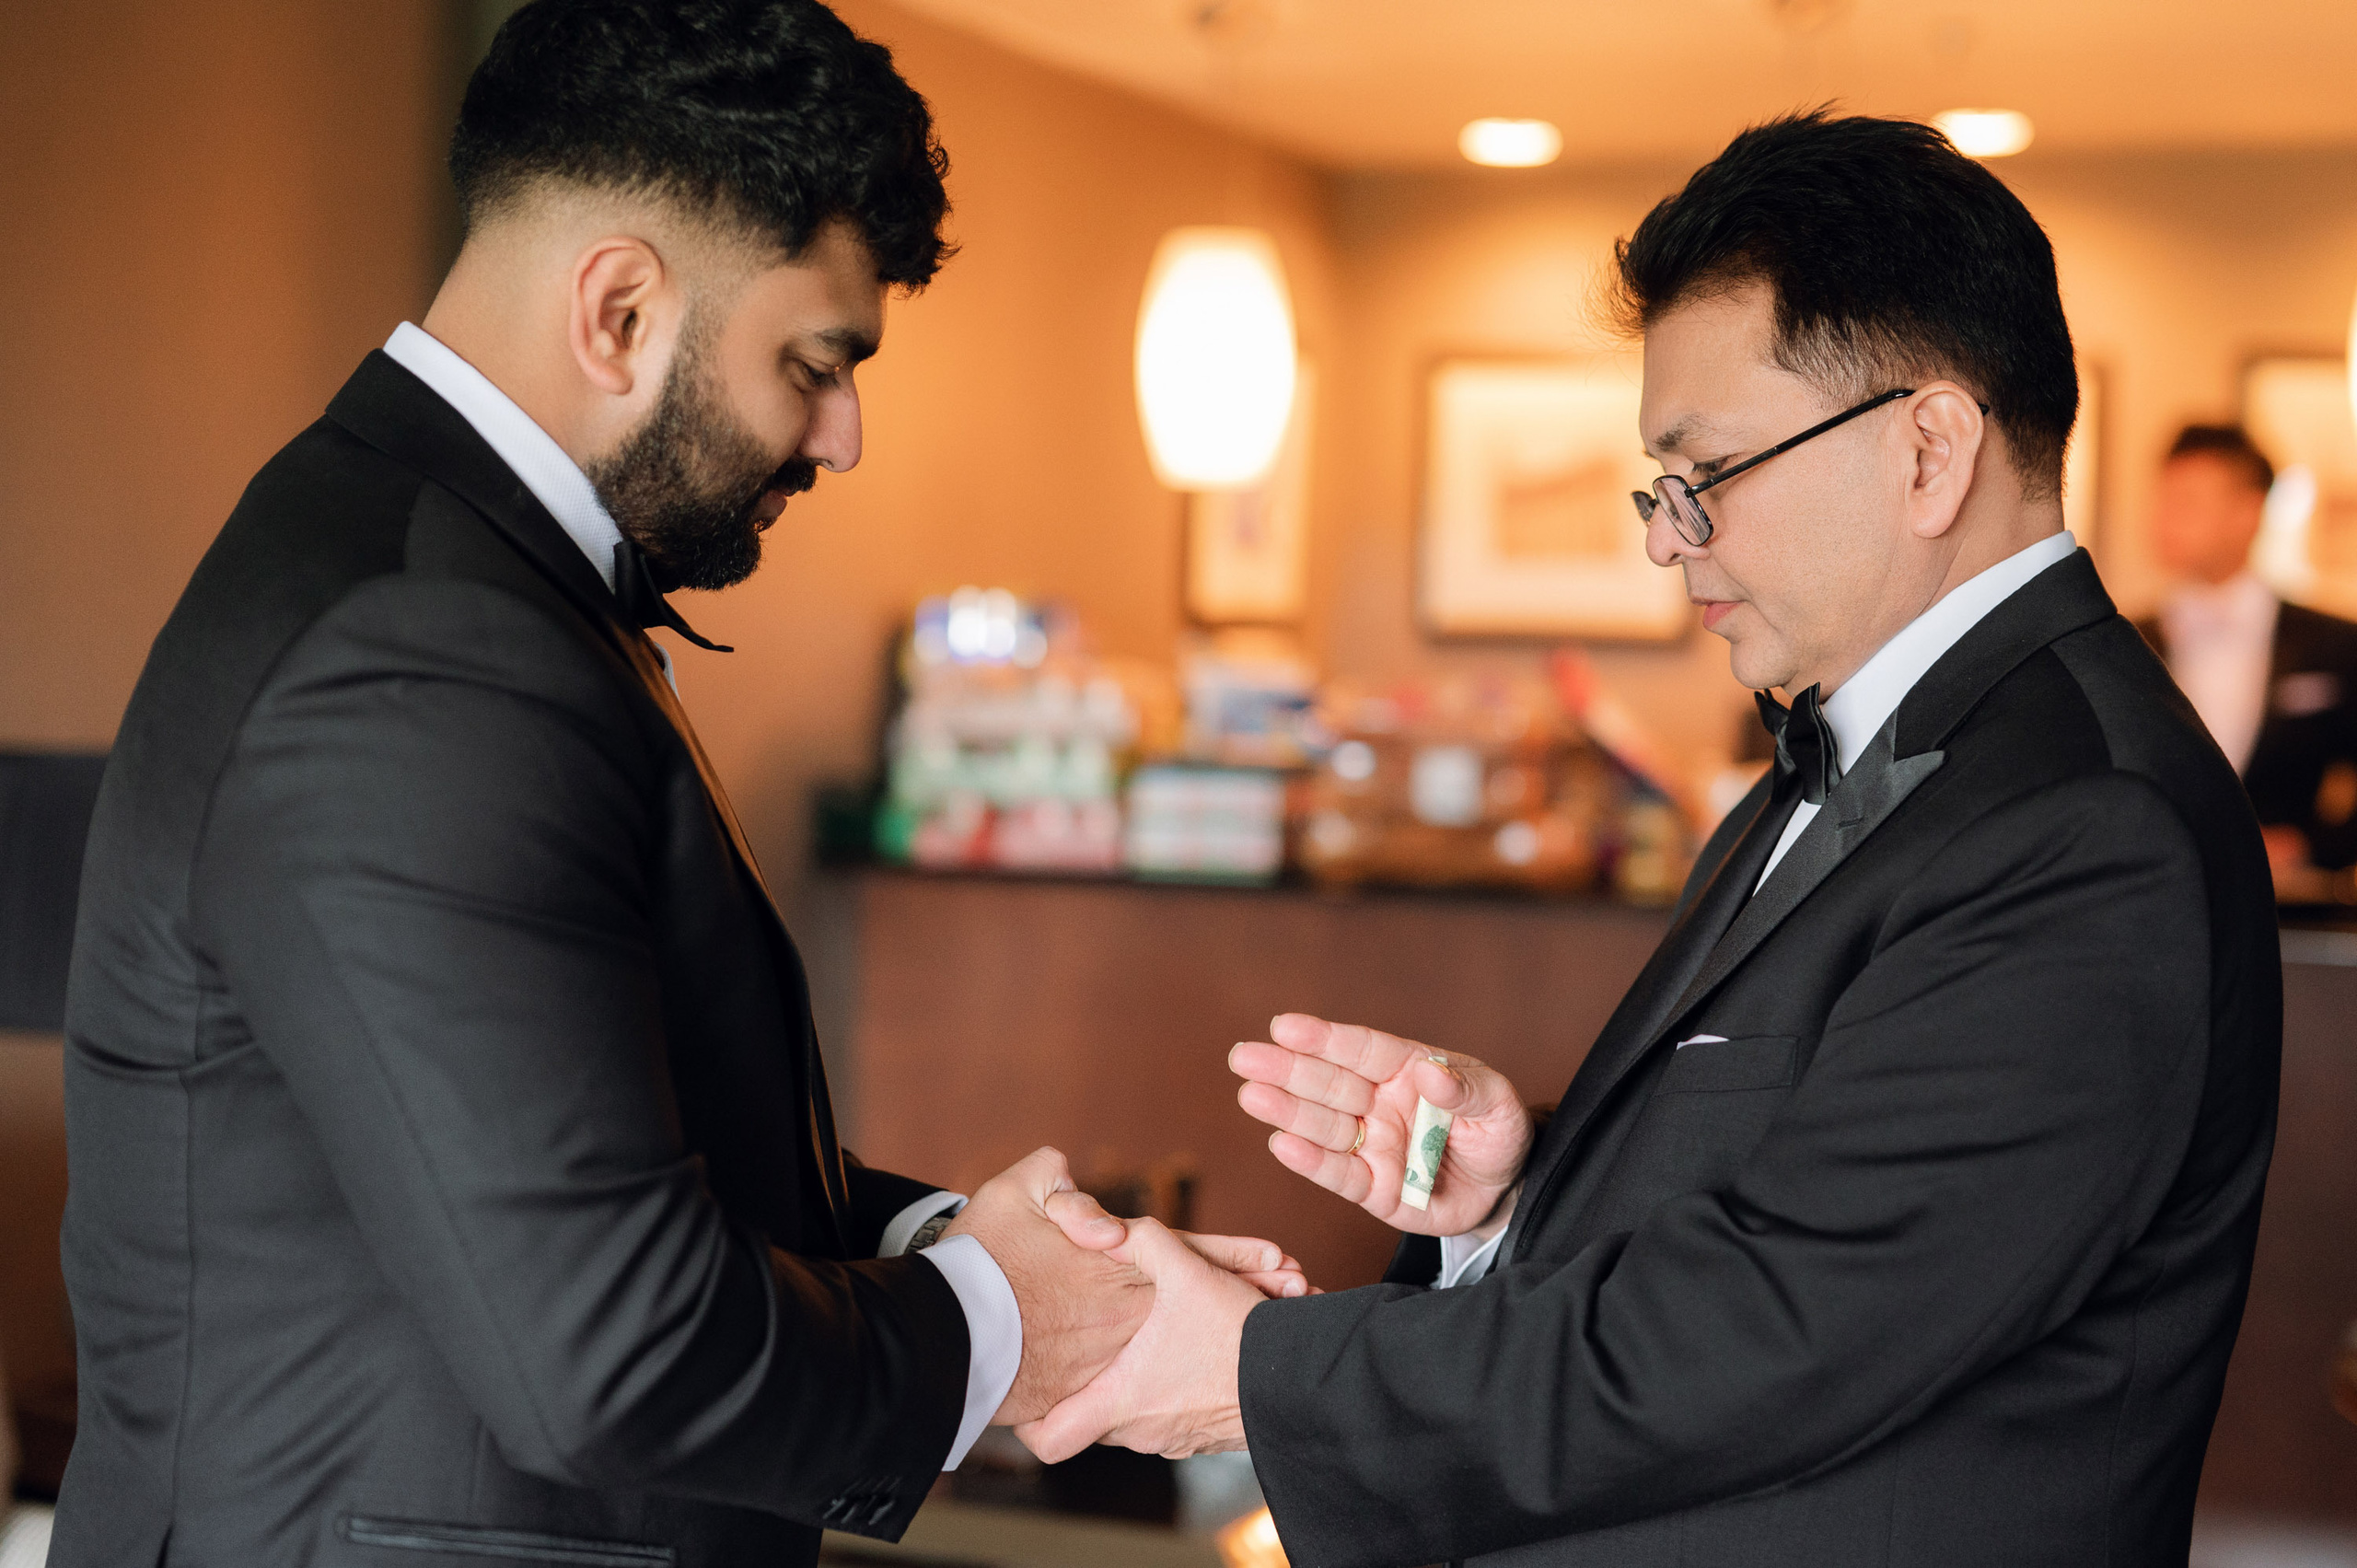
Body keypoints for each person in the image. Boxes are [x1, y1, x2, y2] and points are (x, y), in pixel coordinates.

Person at [52, 5, 1298, 1565]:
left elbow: (570, 1136)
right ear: (620, 310)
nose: (843, 436)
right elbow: (612, 1344)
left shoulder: (448, 576)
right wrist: (998, 1316)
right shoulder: (424, 646)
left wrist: (985, 1246)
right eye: (815, 364)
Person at [1019, 112, 2282, 1567]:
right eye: (1660, 486)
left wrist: (1256, 1371)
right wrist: (1514, 1198)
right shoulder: (1861, 745)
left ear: (1930, 450)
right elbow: (1797, 1183)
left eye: (1709, 472)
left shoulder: (2086, 825)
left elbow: (1781, 1326)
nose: (1667, 537)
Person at [2141, 423, 2357, 901]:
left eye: (2187, 502)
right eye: (2162, 500)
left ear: (2248, 513)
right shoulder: (2125, 640)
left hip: (2290, 913)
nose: (2163, 519)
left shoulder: (2335, 644)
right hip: (2153, 904)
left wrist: (2313, 844)